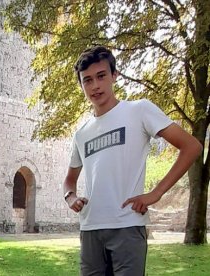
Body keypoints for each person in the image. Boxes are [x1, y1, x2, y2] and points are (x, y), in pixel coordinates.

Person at [63, 46, 202, 276]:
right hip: (90, 228)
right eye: (87, 80)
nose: (95, 85)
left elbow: (192, 147)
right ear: (81, 86)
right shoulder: (82, 133)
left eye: (101, 76)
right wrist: (70, 197)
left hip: (127, 225)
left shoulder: (139, 110)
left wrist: (156, 193)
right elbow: (69, 179)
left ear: (114, 76)